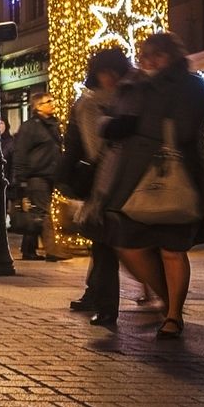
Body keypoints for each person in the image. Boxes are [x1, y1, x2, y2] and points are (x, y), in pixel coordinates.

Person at [99, 33, 204, 340]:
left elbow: (184, 128)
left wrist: (141, 122)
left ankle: (174, 315)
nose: (148, 61)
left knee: (173, 250)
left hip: (175, 174)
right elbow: (115, 119)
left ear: (171, 56)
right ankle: (168, 299)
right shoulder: (133, 85)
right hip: (133, 178)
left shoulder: (191, 84)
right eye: (144, 55)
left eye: (156, 55)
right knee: (128, 245)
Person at [62, 48, 133, 326]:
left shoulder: (132, 96)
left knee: (126, 247)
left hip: (131, 180)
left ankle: (164, 301)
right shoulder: (88, 104)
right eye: (104, 72)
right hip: (105, 182)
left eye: (113, 71)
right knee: (104, 248)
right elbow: (88, 148)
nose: (109, 77)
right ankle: (105, 305)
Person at [13, 91, 66, 262]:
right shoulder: (30, 127)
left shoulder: (52, 125)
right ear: (37, 107)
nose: (52, 104)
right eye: (48, 101)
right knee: (44, 213)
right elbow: (20, 153)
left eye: (52, 100)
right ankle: (53, 251)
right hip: (36, 176)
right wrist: (21, 180)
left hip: (49, 176)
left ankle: (28, 250)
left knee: (36, 213)